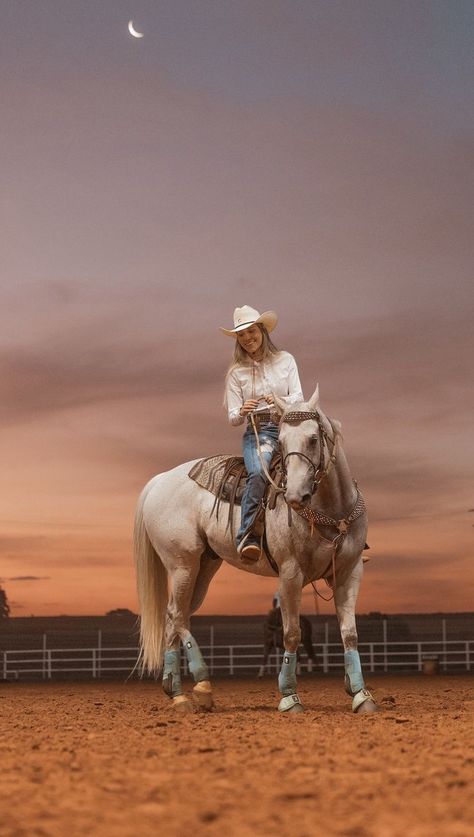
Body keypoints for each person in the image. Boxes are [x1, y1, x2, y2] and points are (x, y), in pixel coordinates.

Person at [221, 305, 303, 561]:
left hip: (291, 424)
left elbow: (298, 396)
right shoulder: (236, 373)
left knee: (318, 461)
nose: (247, 338)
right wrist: (243, 411)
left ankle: (340, 536)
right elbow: (233, 417)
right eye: (241, 335)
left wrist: (280, 400)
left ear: (262, 330)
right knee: (258, 473)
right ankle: (247, 535)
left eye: (251, 331)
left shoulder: (286, 360)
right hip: (260, 430)